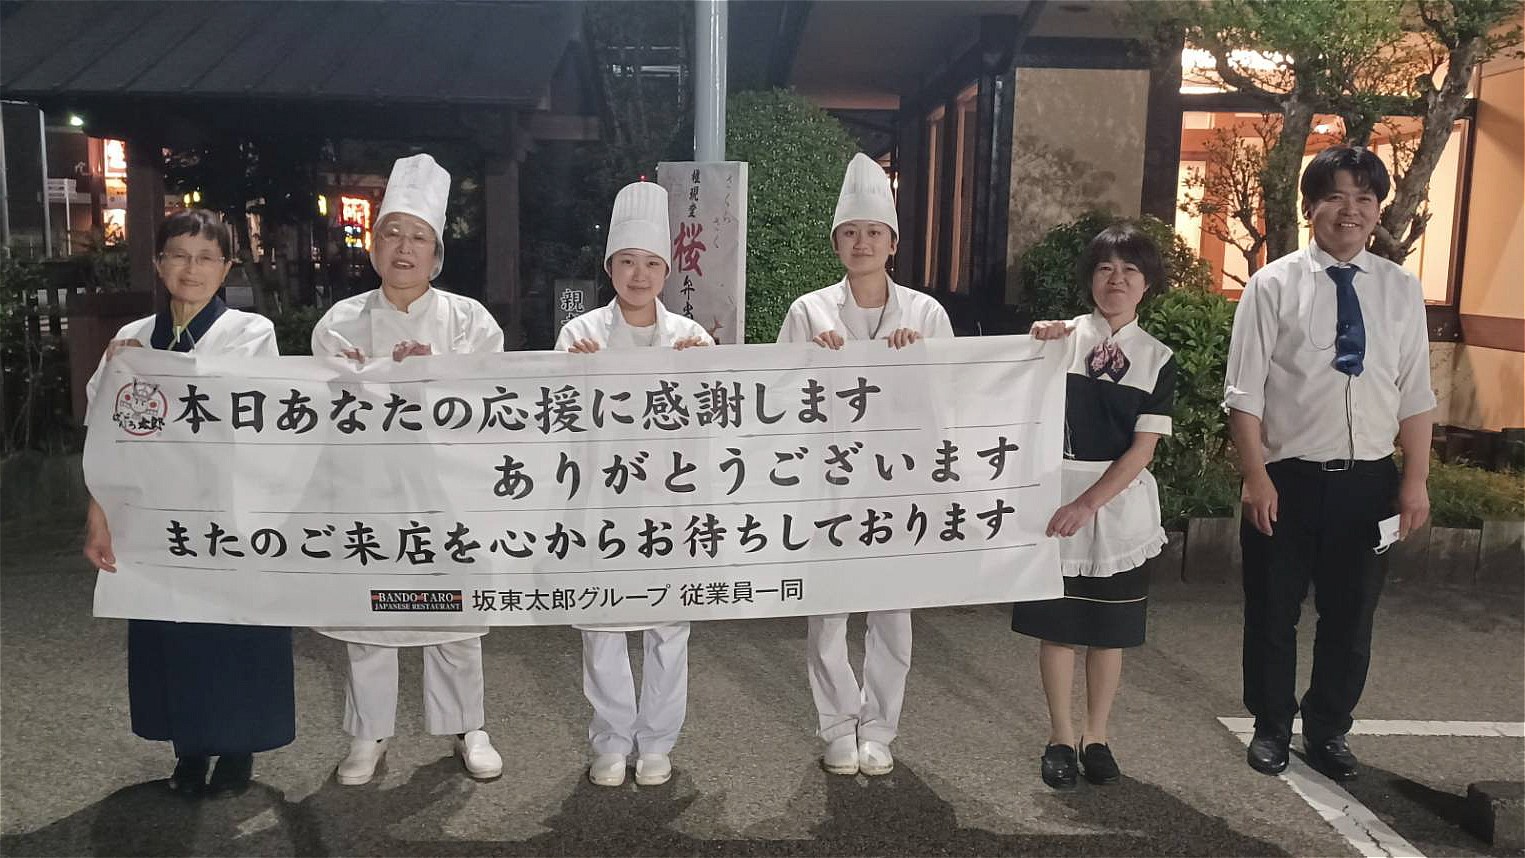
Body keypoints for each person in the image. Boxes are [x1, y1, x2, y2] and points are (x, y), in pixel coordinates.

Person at [1225, 145, 1435, 782]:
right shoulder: (1272, 285)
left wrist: (1415, 482)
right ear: (1311, 206)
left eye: (1364, 199)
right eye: (1337, 197)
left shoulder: (1400, 290)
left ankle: (1329, 729)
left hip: (1368, 482)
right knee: (1273, 611)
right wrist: (1255, 476)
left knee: (1352, 615)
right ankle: (1270, 725)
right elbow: (1244, 393)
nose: (1351, 210)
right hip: (1286, 478)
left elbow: (1415, 393)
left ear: (1378, 211)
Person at [82, 208, 294, 798]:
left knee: (233, 630)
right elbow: (104, 434)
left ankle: (239, 747)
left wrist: (153, 372)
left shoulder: (249, 332)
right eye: (178, 255)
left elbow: (251, 412)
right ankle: (190, 748)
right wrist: (98, 514)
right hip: (152, 513)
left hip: (229, 510)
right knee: (170, 630)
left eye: (206, 258)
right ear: (159, 263)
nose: (191, 268)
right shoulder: (131, 339)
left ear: (226, 268)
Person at [310, 153, 505, 786]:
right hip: (367, 490)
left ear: (436, 254)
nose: (403, 247)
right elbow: (323, 405)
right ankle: (368, 733)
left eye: (418, 237)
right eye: (392, 232)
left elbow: (491, 401)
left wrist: (436, 372)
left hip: (447, 493)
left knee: (454, 613)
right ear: (373, 245)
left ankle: (468, 726)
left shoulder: (469, 321)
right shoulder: (339, 323)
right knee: (370, 611)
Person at [776, 153, 954, 777]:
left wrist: (920, 359)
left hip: (900, 486)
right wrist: (809, 358)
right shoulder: (808, 312)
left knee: (892, 614)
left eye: (873, 232)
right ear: (836, 243)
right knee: (827, 611)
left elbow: (954, 402)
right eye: (850, 233)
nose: (861, 243)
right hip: (828, 484)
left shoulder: (926, 315)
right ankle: (836, 727)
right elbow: (778, 400)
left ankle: (879, 728)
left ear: (893, 243)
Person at [557, 181, 713, 788]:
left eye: (651, 264)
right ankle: (611, 739)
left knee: (668, 626)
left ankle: (657, 743)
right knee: (602, 621)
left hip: (670, 504)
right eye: (627, 262)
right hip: (601, 501)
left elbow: (712, 424)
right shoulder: (580, 335)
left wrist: (705, 370)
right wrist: (572, 373)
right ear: (610, 268)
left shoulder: (692, 338)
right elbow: (557, 418)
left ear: (667, 271)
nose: (639, 275)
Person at [1011, 224, 1176, 789]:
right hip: (1053, 496)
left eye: (1130, 270)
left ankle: (1097, 737)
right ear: (1090, 279)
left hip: (1117, 503)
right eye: (1106, 268)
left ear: (1147, 284)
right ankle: (1060, 737)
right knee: (1057, 628)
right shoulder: (1056, 340)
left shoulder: (1157, 358)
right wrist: (1033, 340)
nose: (1117, 280)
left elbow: (1143, 449)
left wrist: (1088, 504)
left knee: (1109, 631)